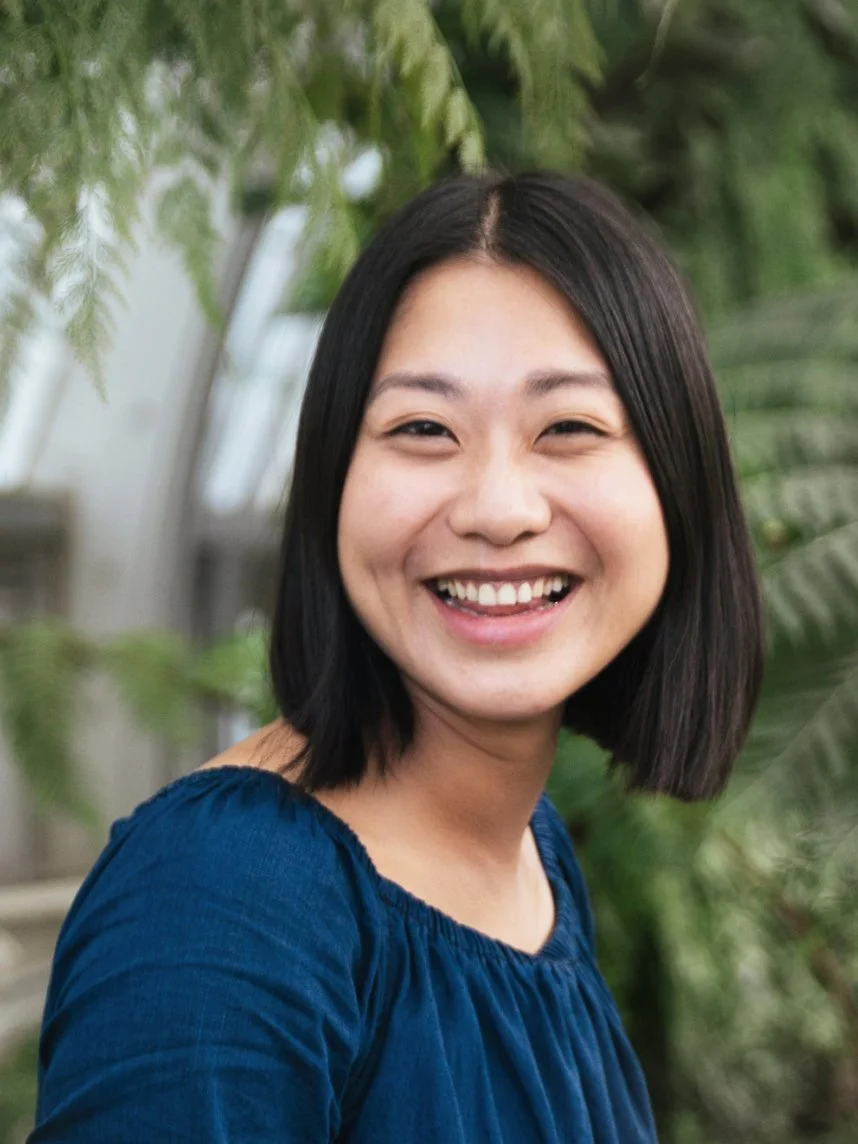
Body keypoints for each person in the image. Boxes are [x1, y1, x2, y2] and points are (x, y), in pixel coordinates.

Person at [30, 172, 764, 1142]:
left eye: (570, 428)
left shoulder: (527, 851)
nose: (498, 508)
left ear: (678, 482)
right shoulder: (228, 899)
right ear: (333, 478)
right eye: (423, 428)